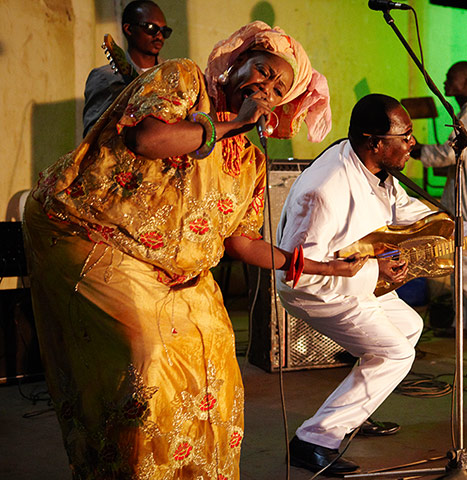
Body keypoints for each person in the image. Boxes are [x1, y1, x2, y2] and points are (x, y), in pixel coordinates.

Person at [23, 21, 357, 480]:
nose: (266, 85)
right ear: (239, 62)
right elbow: (147, 139)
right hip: (90, 230)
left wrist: (325, 266)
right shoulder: (184, 80)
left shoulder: (253, 162)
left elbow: (241, 242)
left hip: (173, 268)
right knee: (149, 359)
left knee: (218, 367)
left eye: (280, 87)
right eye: (263, 69)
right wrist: (235, 122)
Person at [275, 94, 467, 475]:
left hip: (357, 283)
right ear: (374, 142)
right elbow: (297, 267)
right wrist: (376, 271)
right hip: (319, 292)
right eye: (405, 136)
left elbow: (414, 217)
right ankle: (313, 440)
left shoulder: (374, 168)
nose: (413, 144)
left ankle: (350, 414)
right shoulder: (325, 189)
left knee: (409, 326)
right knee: (395, 354)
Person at [410, 61, 467, 341]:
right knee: (462, 264)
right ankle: (466, 326)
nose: (446, 82)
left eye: (451, 78)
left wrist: (416, 149)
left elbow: (449, 153)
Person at [82, 1, 171, 135]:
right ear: (128, 29)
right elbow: (92, 135)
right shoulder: (105, 76)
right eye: (151, 28)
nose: (158, 35)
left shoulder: (172, 74)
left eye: (164, 31)